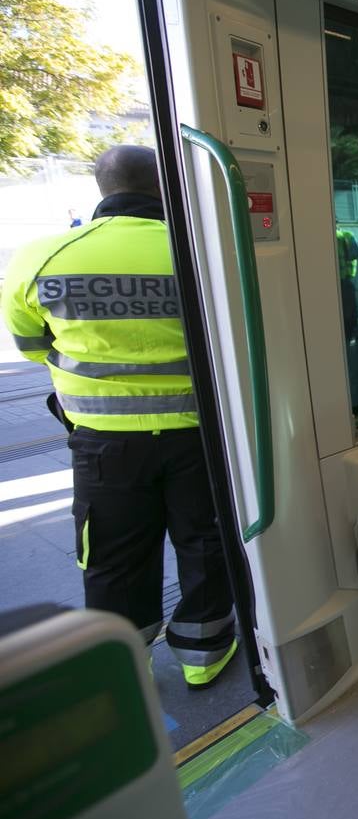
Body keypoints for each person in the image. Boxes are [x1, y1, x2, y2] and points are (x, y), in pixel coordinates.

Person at [2, 145, 238, 688]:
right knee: (204, 540)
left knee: (111, 555)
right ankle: (203, 659)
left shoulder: (40, 256)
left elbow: (32, 345)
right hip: (196, 437)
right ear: (164, 186)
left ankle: (124, 664)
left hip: (104, 444)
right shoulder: (198, 252)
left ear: (102, 188)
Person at [336, 226, 358, 344]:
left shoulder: (345, 236)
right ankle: (351, 335)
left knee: (345, 310)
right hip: (347, 279)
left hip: (343, 279)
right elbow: (356, 253)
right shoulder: (348, 235)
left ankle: (348, 335)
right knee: (350, 309)